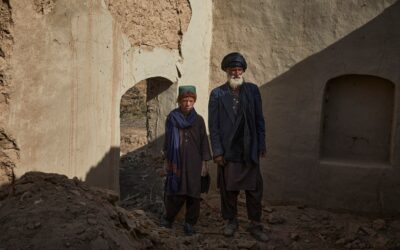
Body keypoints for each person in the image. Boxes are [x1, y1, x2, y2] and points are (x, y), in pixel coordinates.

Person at [208, 52, 269, 242]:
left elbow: (260, 119)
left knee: (254, 189)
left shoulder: (252, 91)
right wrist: (217, 151)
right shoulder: (217, 94)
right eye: (232, 69)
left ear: (243, 71)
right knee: (229, 189)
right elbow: (214, 125)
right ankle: (231, 221)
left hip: (249, 148)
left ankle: (255, 224)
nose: (236, 72)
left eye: (239, 69)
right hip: (228, 150)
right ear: (226, 71)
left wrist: (261, 143)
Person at [160, 85, 211, 236]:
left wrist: (204, 164)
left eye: (190, 100)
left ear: (194, 101)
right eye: (184, 100)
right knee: (175, 192)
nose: (187, 103)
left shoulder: (199, 120)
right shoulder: (172, 117)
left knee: (194, 195)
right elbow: (168, 140)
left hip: (194, 164)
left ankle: (189, 224)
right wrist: (166, 161)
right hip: (177, 162)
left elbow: (204, 143)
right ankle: (168, 219)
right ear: (179, 101)